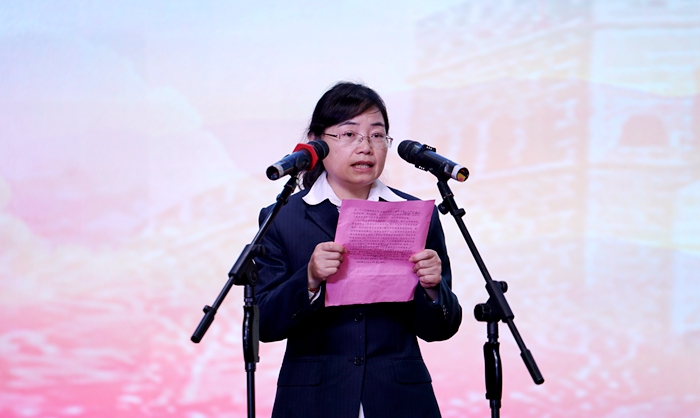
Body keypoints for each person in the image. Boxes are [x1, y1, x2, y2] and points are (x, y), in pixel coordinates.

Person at [254, 82, 462, 418]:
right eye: (349, 134)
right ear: (318, 143)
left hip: (401, 401)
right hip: (312, 402)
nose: (366, 147)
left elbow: (440, 329)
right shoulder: (282, 218)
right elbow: (264, 325)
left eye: (377, 135)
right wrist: (309, 279)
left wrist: (433, 289)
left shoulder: (415, 214)